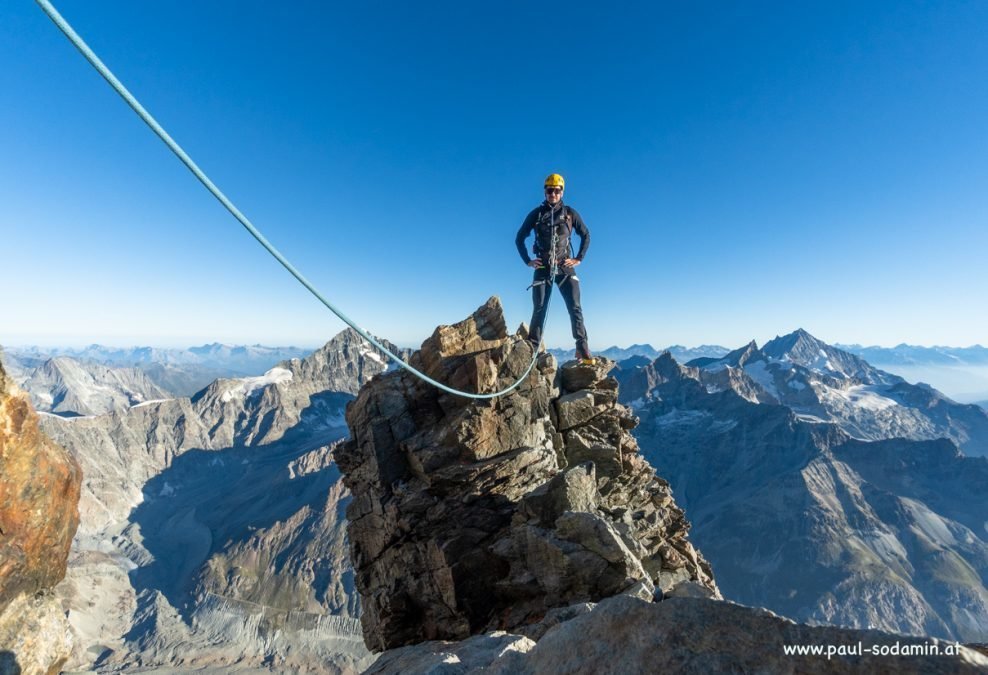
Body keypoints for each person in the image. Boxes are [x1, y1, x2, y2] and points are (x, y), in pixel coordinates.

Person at [515, 173, 593, 363]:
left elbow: (586, 235)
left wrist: (578, 259)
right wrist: (528, 261)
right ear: (545, 191)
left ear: (562, 191)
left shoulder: (570, 213)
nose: (553, 194)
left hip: (564, 266)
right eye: (550, 190)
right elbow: (519, 238)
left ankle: (582, 349)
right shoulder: (537, 214)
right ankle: (532, 351)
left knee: (575, 308)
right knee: (539, 308)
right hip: (543, 266)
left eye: (557, 190)